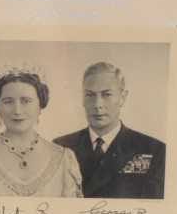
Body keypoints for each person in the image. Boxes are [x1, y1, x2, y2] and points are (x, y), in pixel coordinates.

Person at [0, 66, 82, 197]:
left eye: (26, 101)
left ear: (40, 105)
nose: (17, 110)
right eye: (8, 101)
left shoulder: (64, 159)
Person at [54, 62, 166, 199]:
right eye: (90, 95)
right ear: (82, 99)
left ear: (122, 97)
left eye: (106, 95)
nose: (97, 105)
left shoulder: (154, 150)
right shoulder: (60, 148)